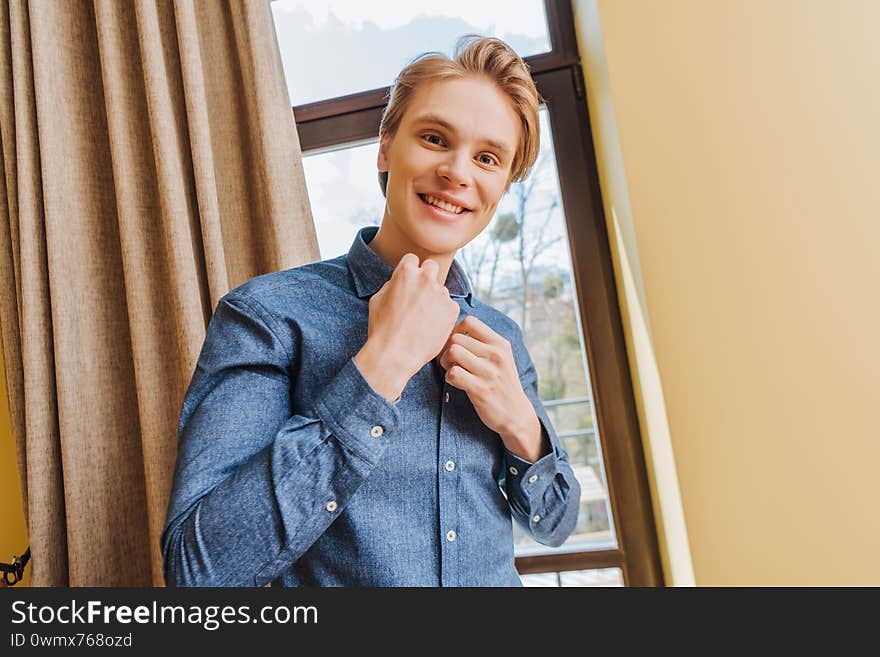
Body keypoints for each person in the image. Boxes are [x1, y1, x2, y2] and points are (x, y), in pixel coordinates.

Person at [161, 35, 581, 587]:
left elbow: (556, 522)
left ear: (502, 184)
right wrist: (379, 367)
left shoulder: (501, 337)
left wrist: (523, 428)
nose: (458, 172)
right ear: (386, 148)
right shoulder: (266, 317)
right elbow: (198, 572)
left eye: (487, 158)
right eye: (435, 138)